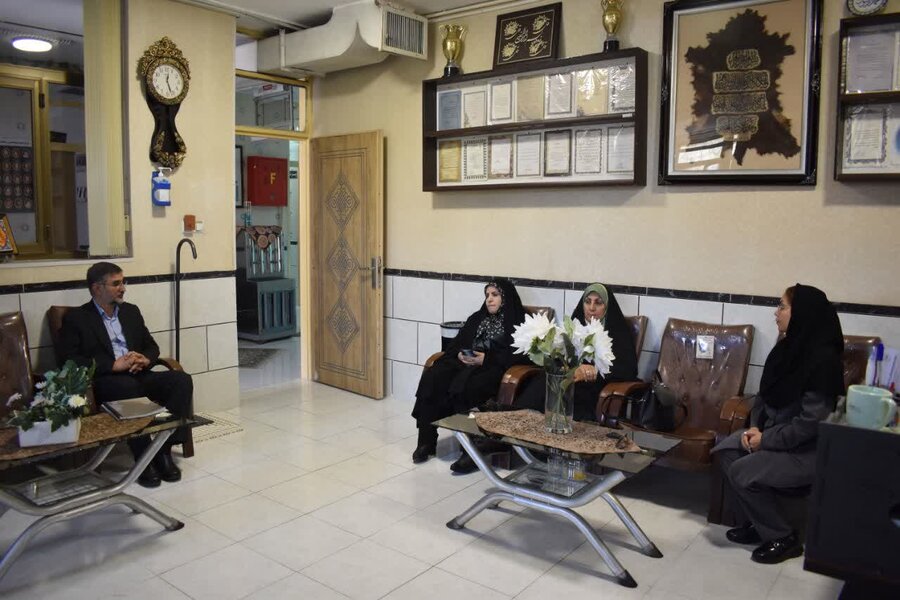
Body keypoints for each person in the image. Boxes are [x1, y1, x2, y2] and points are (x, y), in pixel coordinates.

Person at [713, 284, 844, 565]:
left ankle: (783, 538)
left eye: (782, 306)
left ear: (802, 314)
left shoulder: (823, 362)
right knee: (726, 451)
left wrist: (766, 440)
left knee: (742, 470)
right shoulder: (785, 350)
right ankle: (760, 524)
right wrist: (755, 429)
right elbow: (763, 397)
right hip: (774, 436)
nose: (776, 313)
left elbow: (810, 425)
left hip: (806, 452)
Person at [449, 282, 638, 474]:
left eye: (598, 303)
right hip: (564, 382)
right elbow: (561, 355)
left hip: (592, 390)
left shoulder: (616, 331)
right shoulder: (576, 326)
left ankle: (496, 439)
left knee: (550, 394)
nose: (591, 308)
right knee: (541, 382)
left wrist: (594, 371)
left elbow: (628, 370)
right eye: (587, 302)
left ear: (607, 307)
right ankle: (498, 437)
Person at [58, 262, 194, 488]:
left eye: (123, 282)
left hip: (140, 374)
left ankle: (164, 449)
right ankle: (143, 456)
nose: (123, 288)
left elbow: (151, 346)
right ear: (97, 288)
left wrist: (145, 359)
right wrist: (113, 365)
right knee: (127, 388)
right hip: (108, 381)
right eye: (116, 284)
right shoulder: (77, 318)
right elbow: (69, 361)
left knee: (180, 380)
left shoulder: (131, 311)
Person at [411, 278, 526, 464]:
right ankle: (426, 440)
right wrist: (459, 354)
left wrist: (485, 359)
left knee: (469, 385)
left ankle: (471, 450)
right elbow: (456, 345)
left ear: (505, 298)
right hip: (465, 364)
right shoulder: (477, 318)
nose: (489, 299)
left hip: (493, 368)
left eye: (495, 295)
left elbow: (519, 356)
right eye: (487, 295)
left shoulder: (517, 323)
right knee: (434, 375)